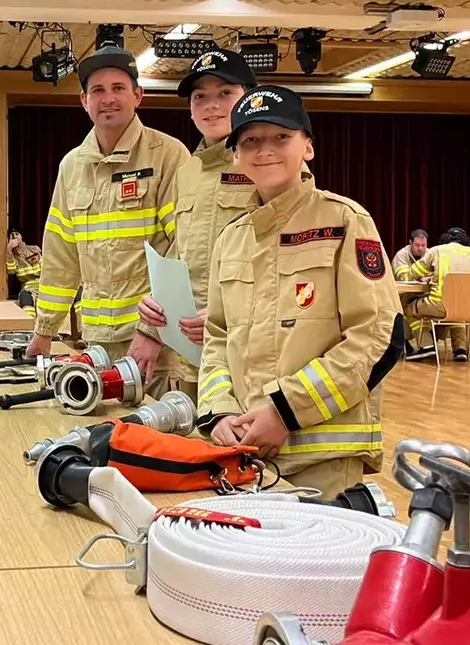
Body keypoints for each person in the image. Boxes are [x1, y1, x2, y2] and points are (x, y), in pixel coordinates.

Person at [195, 85, 405, 498]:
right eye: (250, 140)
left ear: (307, 147)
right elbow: (217, 338)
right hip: (243, 456)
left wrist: (284, 410)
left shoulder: (344, 221)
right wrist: (218, 413)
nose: (265, 150)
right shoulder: (232, 238)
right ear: (236, 155)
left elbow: (379, 337)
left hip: (321, 461)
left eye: (281, 137)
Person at [26, 45, 191, 397]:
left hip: (151, 345)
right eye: (98, 91)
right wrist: (44, 330)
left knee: (153, 442)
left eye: (118, 88)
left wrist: (151, 332)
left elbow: (183, 250)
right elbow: (60, 257)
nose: (108, 99)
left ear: (138, 96)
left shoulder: (169, 155)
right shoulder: (72, 166)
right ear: (84, 101)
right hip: (96, 339)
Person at [134, 49, 258, 401]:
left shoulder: (265, 163)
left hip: (245, 352)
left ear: (249, 97)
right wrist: (152, 320)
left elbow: (283, 261)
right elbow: (180, 251)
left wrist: (226, 316)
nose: (211, 105)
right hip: (189, 353)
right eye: (200, 96)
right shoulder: (188, 171)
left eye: (225, 93)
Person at [404, 226, 470, 362]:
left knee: (409, 308)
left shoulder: (438, 251)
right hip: (469, 308)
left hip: (439, 303)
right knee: (457, 313)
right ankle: (460, 349)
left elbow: (414, 272)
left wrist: (415, 276)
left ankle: (426, 346)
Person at [393, 228, 429, 351]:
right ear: (410, 243)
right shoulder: (401, 255)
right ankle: (412, 341)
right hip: (402, 296)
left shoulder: (430, 254)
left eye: (423, 245)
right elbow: (404, 277)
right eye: (417, 245)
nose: (420, 248)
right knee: (410, 306)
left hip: (423, 294)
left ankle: (427, 343)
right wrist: (423, 276)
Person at [5, 228, 43, 316]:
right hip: (29, 287)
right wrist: (9, 249)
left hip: (44, 284)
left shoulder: (34, 250)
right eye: (12, 235)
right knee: (25, 299)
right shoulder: (12, 256)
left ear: (21, 236)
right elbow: (11, 271)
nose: (15, 237)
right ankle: (30, 327)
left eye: (17, 234)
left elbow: (45, 269)